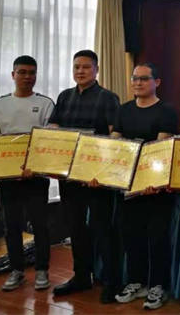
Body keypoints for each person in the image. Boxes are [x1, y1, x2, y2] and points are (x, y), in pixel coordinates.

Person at [48, 50, 122, 303]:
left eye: (86, 67)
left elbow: (115, 136)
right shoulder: (64, 96)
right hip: (69, 176)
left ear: (96, 70)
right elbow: (54, 128)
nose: (80, 71)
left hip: (96, 177)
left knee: (102, 229)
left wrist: (101, 170)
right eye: (76, 67)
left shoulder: (108, 98)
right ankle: (81, 276)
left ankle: (111, 282)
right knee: (75, 228)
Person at [111, 63, 178, 310]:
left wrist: (148, 179)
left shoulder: (166, 111)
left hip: (154, 188)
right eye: (134, 78)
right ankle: (136, 282)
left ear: (156, 82)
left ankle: (158, 286)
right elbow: (116, 146)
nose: (137, 83)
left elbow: (160, 149)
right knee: (131, 236)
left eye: (144, 79)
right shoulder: (123, 110)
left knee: (157, 238)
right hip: (127, 187)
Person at [0, 55, 54, 291]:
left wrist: (34, 167)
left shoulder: (46, 103)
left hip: (36, 176)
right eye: (22, 72)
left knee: (40, 224)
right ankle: (16, 270)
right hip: (8, 177)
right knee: (11, 226)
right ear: (13, 75)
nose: (27, 77)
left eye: (32, 73)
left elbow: (48, 141)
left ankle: (42, 270)